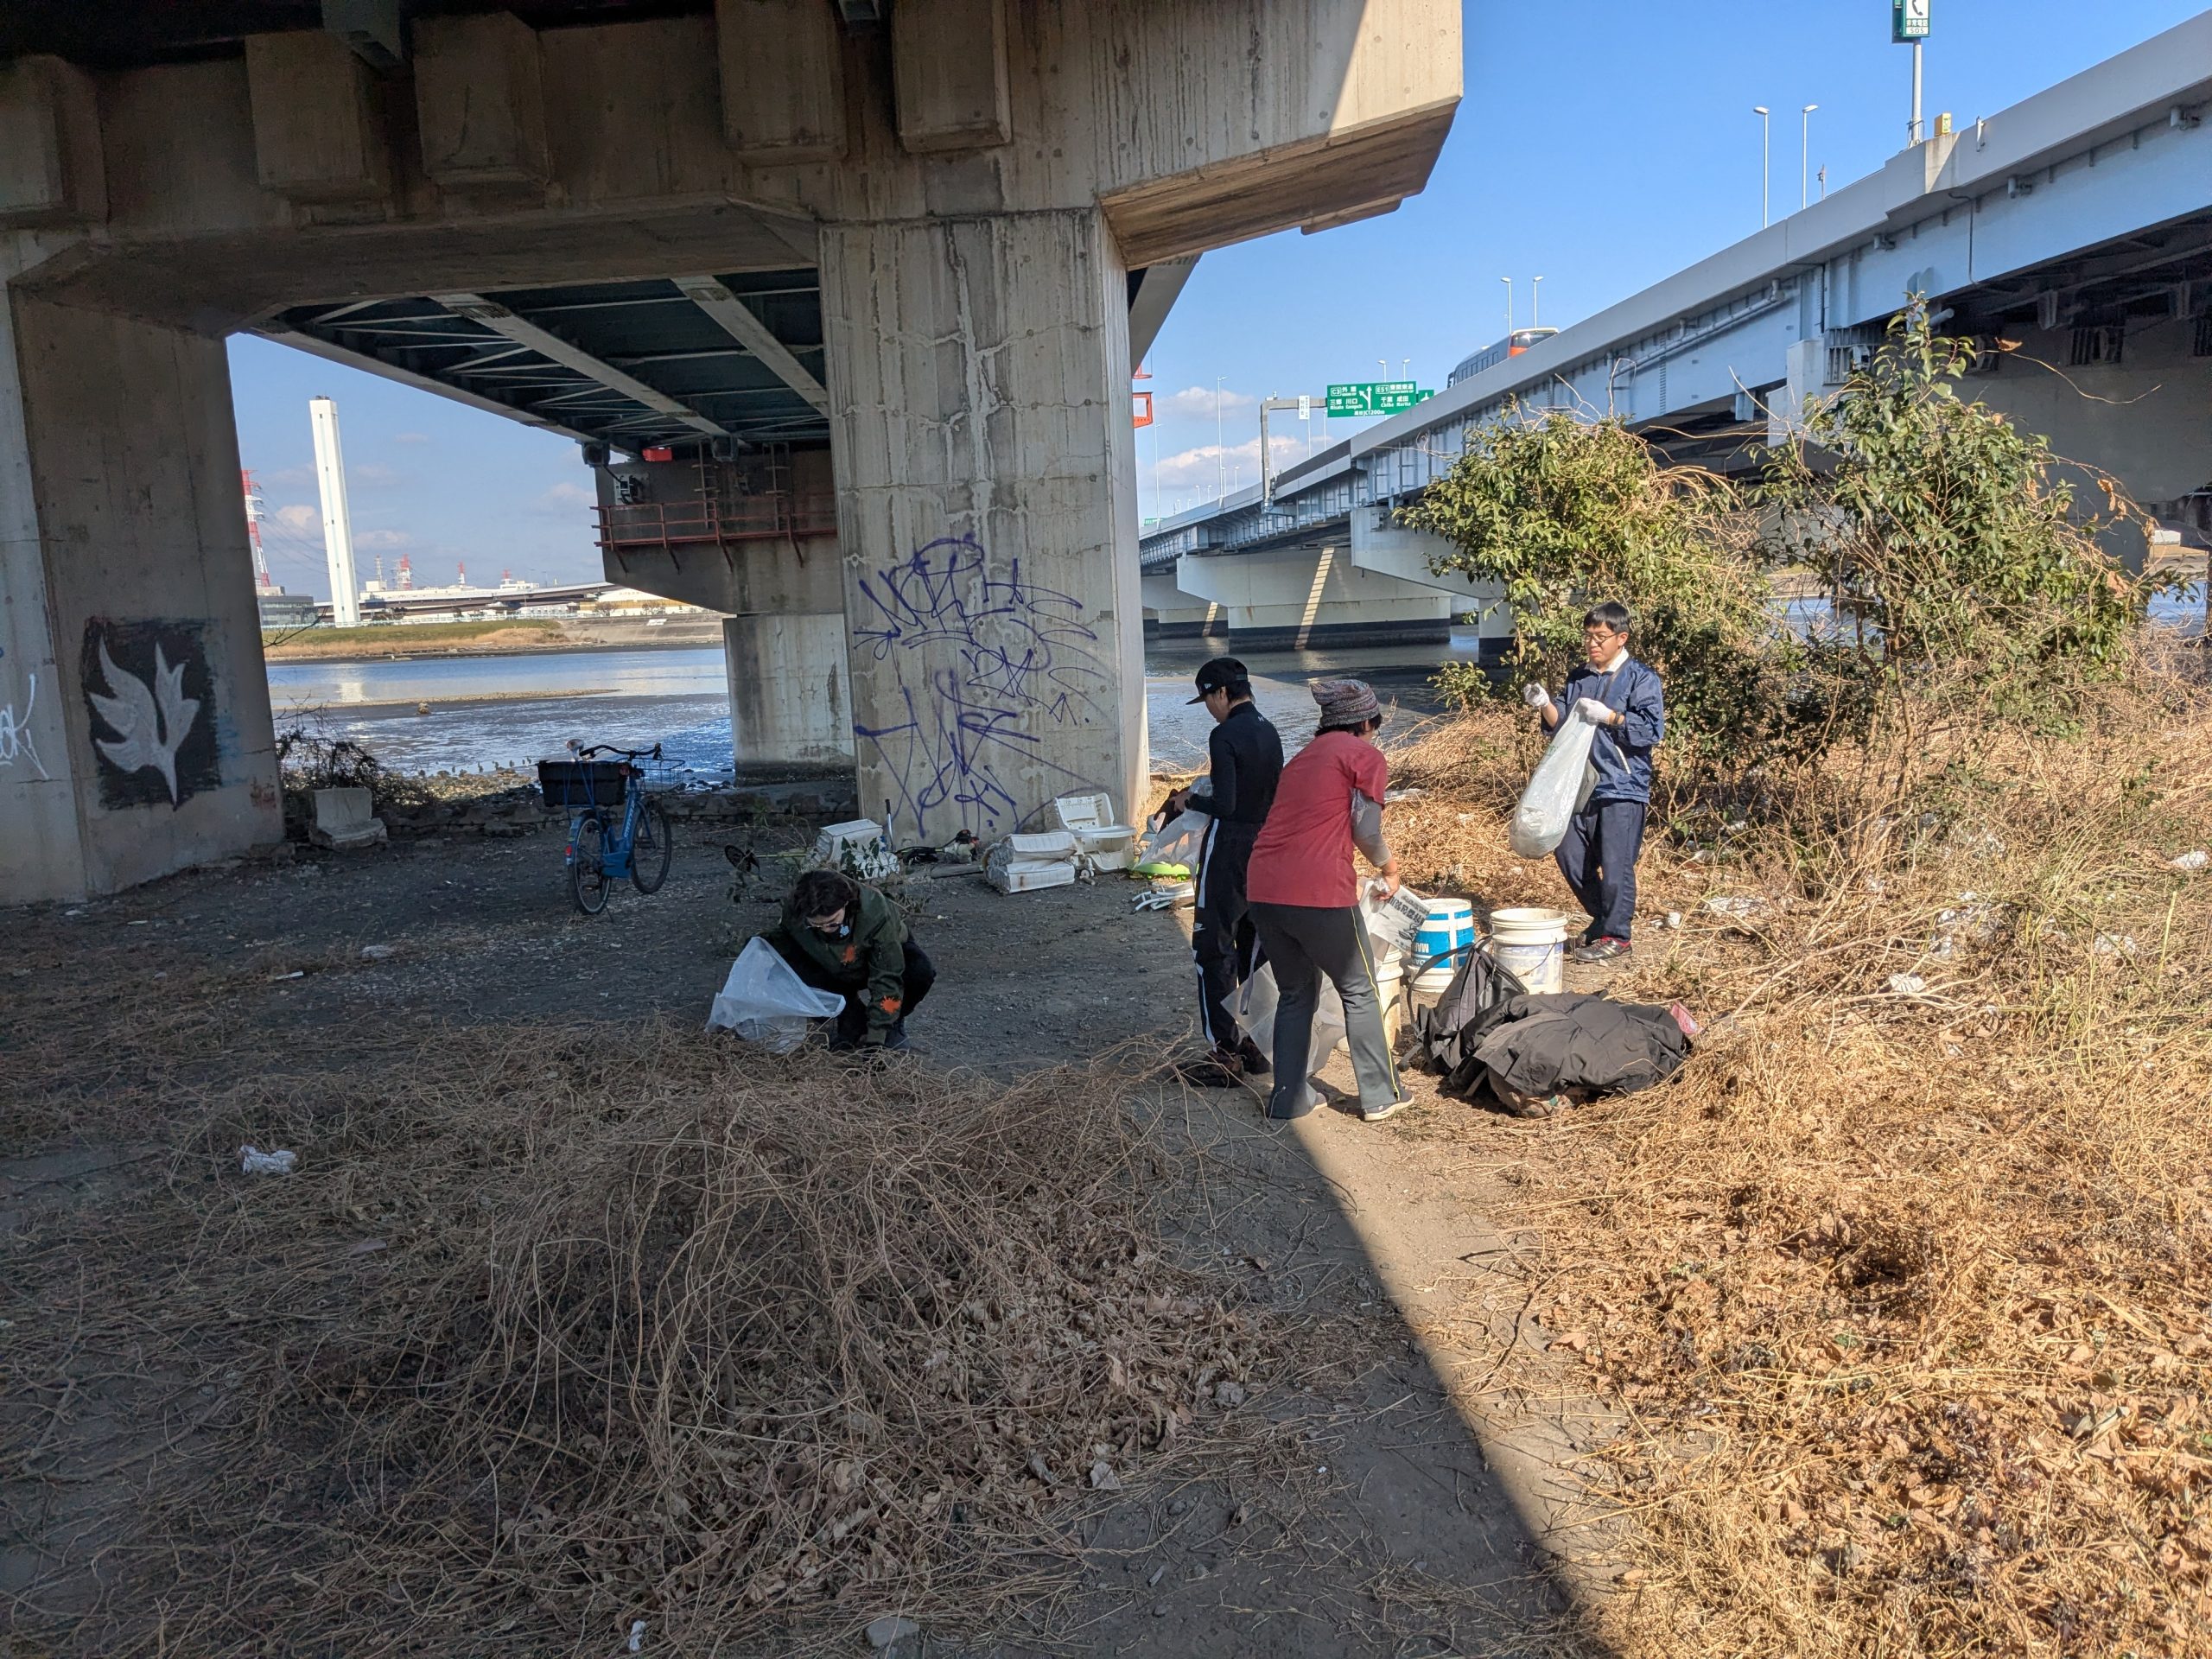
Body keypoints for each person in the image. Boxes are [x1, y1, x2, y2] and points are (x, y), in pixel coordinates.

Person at [1244, 678, 1412, 1124]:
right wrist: (1390, 869)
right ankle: (1381, 1096)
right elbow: (1367, 831)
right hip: (1318, 890)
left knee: (1296, 992)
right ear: (1366, 722)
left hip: (1263, 888)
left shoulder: (1302, 759)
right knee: (1358, 988)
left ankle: (1288, 1099)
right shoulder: (1362, 755)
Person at [1162, 657, 1284, 1086]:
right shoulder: (1270, 730)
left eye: (1208, 700)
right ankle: (1257, 1044)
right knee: (1255, 949)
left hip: (1229, 847)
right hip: (1265, 848)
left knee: (1212, 946)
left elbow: (1226, 804)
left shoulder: (1224, 734)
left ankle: (1223, 1052)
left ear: (1221, 693)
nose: (1210, 710)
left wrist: (1188, 801)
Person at [1523, 601, 1665, 963]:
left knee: (1617, 864)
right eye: (1588, 636)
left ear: (1621, 638)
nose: (1593, 644)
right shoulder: (1579, 677)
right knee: (1567, 852)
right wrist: (1544, 703)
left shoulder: (1641, 678)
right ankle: (1603, 918)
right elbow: (1560, 724)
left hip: (1622, 784)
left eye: (1601, 637)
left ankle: (1617, 936)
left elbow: (1651, 731)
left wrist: (1612, 717)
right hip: (1577, 783)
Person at [758, 868, 934, 1052]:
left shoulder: (875, 912)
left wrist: (876, 1039)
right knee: (791, 967)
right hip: (832, 963)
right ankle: (852, 1018)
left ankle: (892, 1023)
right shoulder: (797, 908)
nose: (825, 929)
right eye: (816, 925)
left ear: (846, 904)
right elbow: (785, 941)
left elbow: (887, 976)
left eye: (832, 922)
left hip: (873, 958)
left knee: (919, 971)